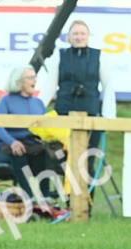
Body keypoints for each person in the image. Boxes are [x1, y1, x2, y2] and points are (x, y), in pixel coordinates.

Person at [39, 19, 115, 179]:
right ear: (69, 37)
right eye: (75, 33)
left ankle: (87, 203)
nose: (79, 37)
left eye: (82, 33)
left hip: (91, 115)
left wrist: (109, 118)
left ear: (88, 36)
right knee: (62, 161)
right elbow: (49, 86)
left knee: (88, 162)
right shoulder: (60, 56)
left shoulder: (99, 56)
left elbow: (108, 87)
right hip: (64, 114)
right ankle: (64, 201)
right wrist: (37, 111)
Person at [0, 66, 57, 202]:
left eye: (35, 77)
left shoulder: (38, 103)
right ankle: (28, 197)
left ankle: (45, 197)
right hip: (8, 146)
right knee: (19, 154)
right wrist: (12, 142)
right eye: (30, 78)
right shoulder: (6, 101)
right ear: (18, 82)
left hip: (33, 146)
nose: (35, 80)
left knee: (44, 154)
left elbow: (45, 129)